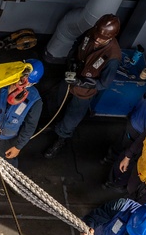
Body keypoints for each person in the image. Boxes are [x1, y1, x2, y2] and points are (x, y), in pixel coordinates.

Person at [44, 14, 122, 158]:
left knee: (72, 118)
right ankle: (53, 123)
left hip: (84, 91)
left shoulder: (113, 56)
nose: (97, 39)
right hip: (70, 77)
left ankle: (61, 138)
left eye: (101, 38)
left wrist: (81, 83)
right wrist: (71, 60)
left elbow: (104, 83)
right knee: (57, 102)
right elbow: (77, 44)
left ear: (111, 36)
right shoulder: (92, 32)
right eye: (97, 35)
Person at [0, 59, 44, 169]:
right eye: (21, 79)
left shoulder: (34, 100)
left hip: (8, 138)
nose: (21, 84)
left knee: (7, 164)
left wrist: (18, 146)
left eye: (26, 83)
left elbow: (30, 125)